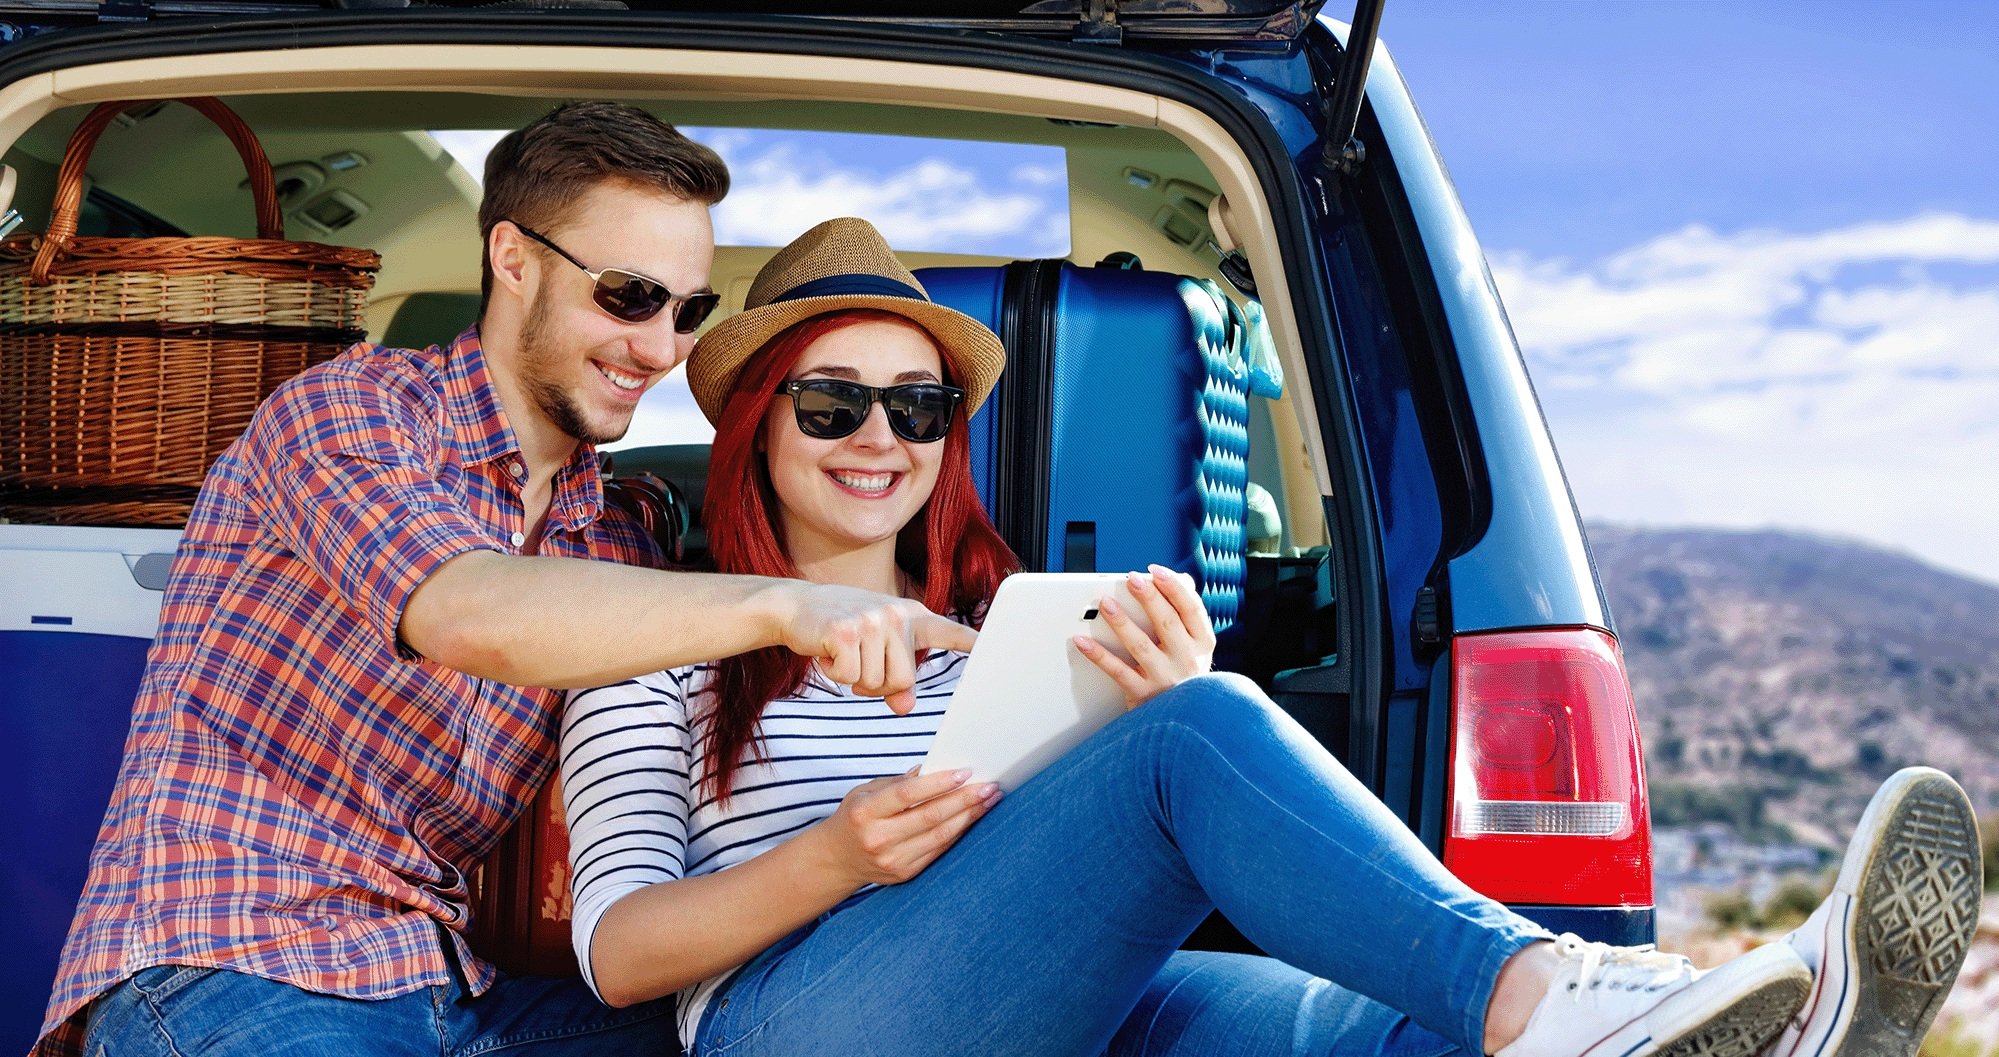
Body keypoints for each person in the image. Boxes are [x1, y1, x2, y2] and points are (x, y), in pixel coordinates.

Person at [557, 217, 1981, 1057]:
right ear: (753, 428)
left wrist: (1152, 715)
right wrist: (841, 851)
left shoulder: (1009, 632)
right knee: (1207, 734)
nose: (878, 437)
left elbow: (1096, 863)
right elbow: (621, 954)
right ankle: (1557, 994)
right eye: (832, 403)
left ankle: (1741, 1018)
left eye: (916, 407)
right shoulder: (653, 644)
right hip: (795, 1026)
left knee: (1396, 1026)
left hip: (1052, 995)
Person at [34, 107, 974, 1057]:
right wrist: (790, 605)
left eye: (687, 312)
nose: (660, 348)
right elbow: (467, 609)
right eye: (628, 296)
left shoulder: (623, 537)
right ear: (513, 259)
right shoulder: (349, 413)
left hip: (452, 994)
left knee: (778, 1019)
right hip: (230, 957)